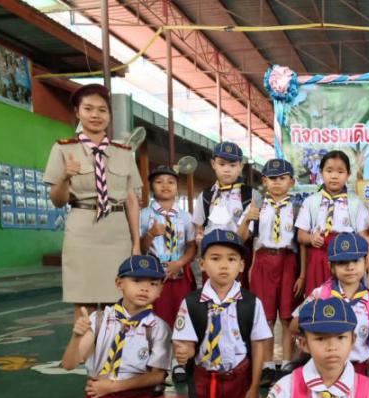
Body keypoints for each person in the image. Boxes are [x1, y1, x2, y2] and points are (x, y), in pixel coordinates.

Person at [61, 255, 170, 398]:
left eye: (153, 283)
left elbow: (157, 376)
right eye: (136, 281)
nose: (144, 288)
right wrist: (76, 336)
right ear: (119, 283)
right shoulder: (98, 320)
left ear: (160, 290)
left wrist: (113, 386)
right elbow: (69, 364)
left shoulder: (158, 328)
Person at [45, 83, 143, 312]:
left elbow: (131, 201)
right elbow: (57, 201)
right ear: (77, 112)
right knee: (84, 307)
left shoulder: (124, 152)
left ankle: (112, 339)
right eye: (88, 109)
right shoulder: (63, 149)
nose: (95, 115)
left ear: (109, 115)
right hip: (82, 232)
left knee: (118, 303)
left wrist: (136, 244)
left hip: (117, 234)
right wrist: (65, 177)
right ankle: (86, 338)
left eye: (102, 110)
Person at [172, 231, 271, 398]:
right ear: (202, 264)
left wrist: (255, 386)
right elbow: (186, 344)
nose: (224, 265)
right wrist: (184, 351)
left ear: (242, 265)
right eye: (215, 258)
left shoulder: (251, 302)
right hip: (205, 378)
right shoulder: (192, 302)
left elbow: (257, 345)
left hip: (239, 377)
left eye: (232, 259)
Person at [294, 232, 369, 388]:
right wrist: (311, 314)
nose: (350, 267)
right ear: (331, 267)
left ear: (366, 263)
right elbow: (294, 326)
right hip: (324, 371)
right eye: (342, 262)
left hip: (358, 372)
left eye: (356, 260)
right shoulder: (320, 295)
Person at [238, 158, 304, 374]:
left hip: (288, 260)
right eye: (272, 178)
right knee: (265, 316)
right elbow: (241, 238)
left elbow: (302, 243)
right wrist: (247, 220)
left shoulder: (297, 208)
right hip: (263, 261)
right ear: (264, 181)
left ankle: (286, 362)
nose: (277, 182)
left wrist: (302, 274)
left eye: (282, 178)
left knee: (286, 316)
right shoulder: (256, 207)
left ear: (291, 182)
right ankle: (266, 364)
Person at [295, 150, 369, 295]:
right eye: (329, 170)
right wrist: (311, 238)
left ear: (348, 175)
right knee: (318, 302)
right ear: (321, 173)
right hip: (318, 261)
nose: (334, 176)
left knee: (346, 300)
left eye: (340, 171)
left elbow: (366, 238)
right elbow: (300, 236)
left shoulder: (355, 203)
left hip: (346, 260)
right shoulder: (311, 202)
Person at [140, 165, 197, 337]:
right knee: (156, 321)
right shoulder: (143, 215)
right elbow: (140, 249)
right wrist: (151, 234)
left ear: (177, 187)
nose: (165, 185)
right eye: (159, 182)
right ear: (151, 186)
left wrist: (180, 263)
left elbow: (192, 246)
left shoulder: (185, 216)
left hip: (180, 276)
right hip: (154, 277)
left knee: (183, 319)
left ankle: (181, 352)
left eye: (171, 182)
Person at [192, 142, 256, 241]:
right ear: (213, 164)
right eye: (222, 164)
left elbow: (246, 236)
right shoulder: (206, 196)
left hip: (237, 248)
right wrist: (199, 239)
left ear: (241, 166)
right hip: (211, 248)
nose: (226, 169)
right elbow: (198, 228)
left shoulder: (250, 196)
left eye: (232, 165)